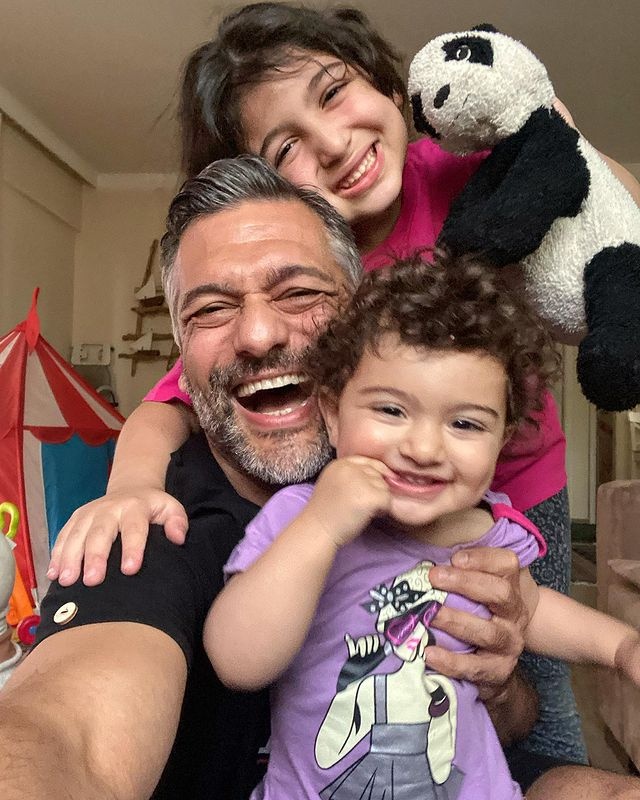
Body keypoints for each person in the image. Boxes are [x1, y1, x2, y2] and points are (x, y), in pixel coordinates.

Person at [49, 2, 640, 767]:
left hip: (524, 487)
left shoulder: (460, 169)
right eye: (287, 145)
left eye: (333, 93)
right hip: (389, 508)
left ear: (392, 88)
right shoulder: (304, 266)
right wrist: (130, 487)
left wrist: (555, 136)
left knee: (530, 689)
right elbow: (168, 404)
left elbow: (613, 210)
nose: (331, 144)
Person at [205, 253, 640, 800]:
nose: (424, 448)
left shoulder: (491, 532)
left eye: (465, 423)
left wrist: (621, 647)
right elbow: (237, 662)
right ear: (333, 415)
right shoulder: (300, 516)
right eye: (391, 411)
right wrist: (321, 528)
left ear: (502, 441)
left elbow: (533, 609)